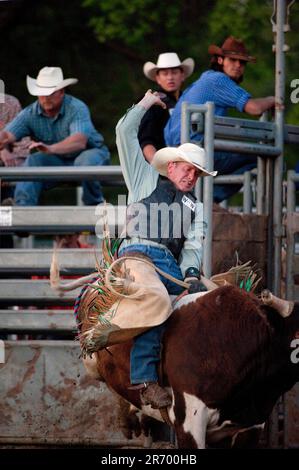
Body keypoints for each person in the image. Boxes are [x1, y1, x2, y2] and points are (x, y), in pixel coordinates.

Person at [115, 90, 217, 409]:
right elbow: (122, 132)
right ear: (170, 166)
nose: (190, 176)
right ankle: (145, 380)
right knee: (158, 300)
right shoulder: (144, 177)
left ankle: (200, 375)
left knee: (209, 302)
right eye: (185, 168)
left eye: (195, 172)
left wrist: (190, 273)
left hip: (170, 265)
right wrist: (145, 103)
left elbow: (193, 244)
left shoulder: (196, 206)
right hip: (137, 256)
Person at [164, 36, 276, 203]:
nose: (238, 65)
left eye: (242, 62)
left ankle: (200, 200)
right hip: (195, 155)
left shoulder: (204, 80)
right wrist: (273, 100)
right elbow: (254, 108)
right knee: (262, 155)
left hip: (177, 158)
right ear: (220, 60)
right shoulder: (218, 80)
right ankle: (207, 201)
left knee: (241, 153)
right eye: (233, 60)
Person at [0, 67, 110, 206]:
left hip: (91, 152)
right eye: (41, 93)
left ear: (62, 92)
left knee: (85, 162)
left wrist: (51, 149)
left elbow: (79, 142)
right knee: (33, 162)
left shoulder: (76, 108)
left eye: (50, 93)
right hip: (58, 160)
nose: (45, 97)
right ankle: (21, 209)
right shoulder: (30, 113)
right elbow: (7, 134)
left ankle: (93, 208)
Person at [138, 52, 194, 162]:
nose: (170, 77)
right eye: (165, 73)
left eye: (174, 72)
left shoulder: (190, 100)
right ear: (158, 78)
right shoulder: (151, 102)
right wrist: (159, 165)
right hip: (163, 165)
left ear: (182, 76)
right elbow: (146, 140)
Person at [0, 94, 30, 248]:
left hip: (7, 183)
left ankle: (19, 219)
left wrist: (7, 152)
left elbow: (24, 146)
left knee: (4, 233)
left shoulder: (10, 104)